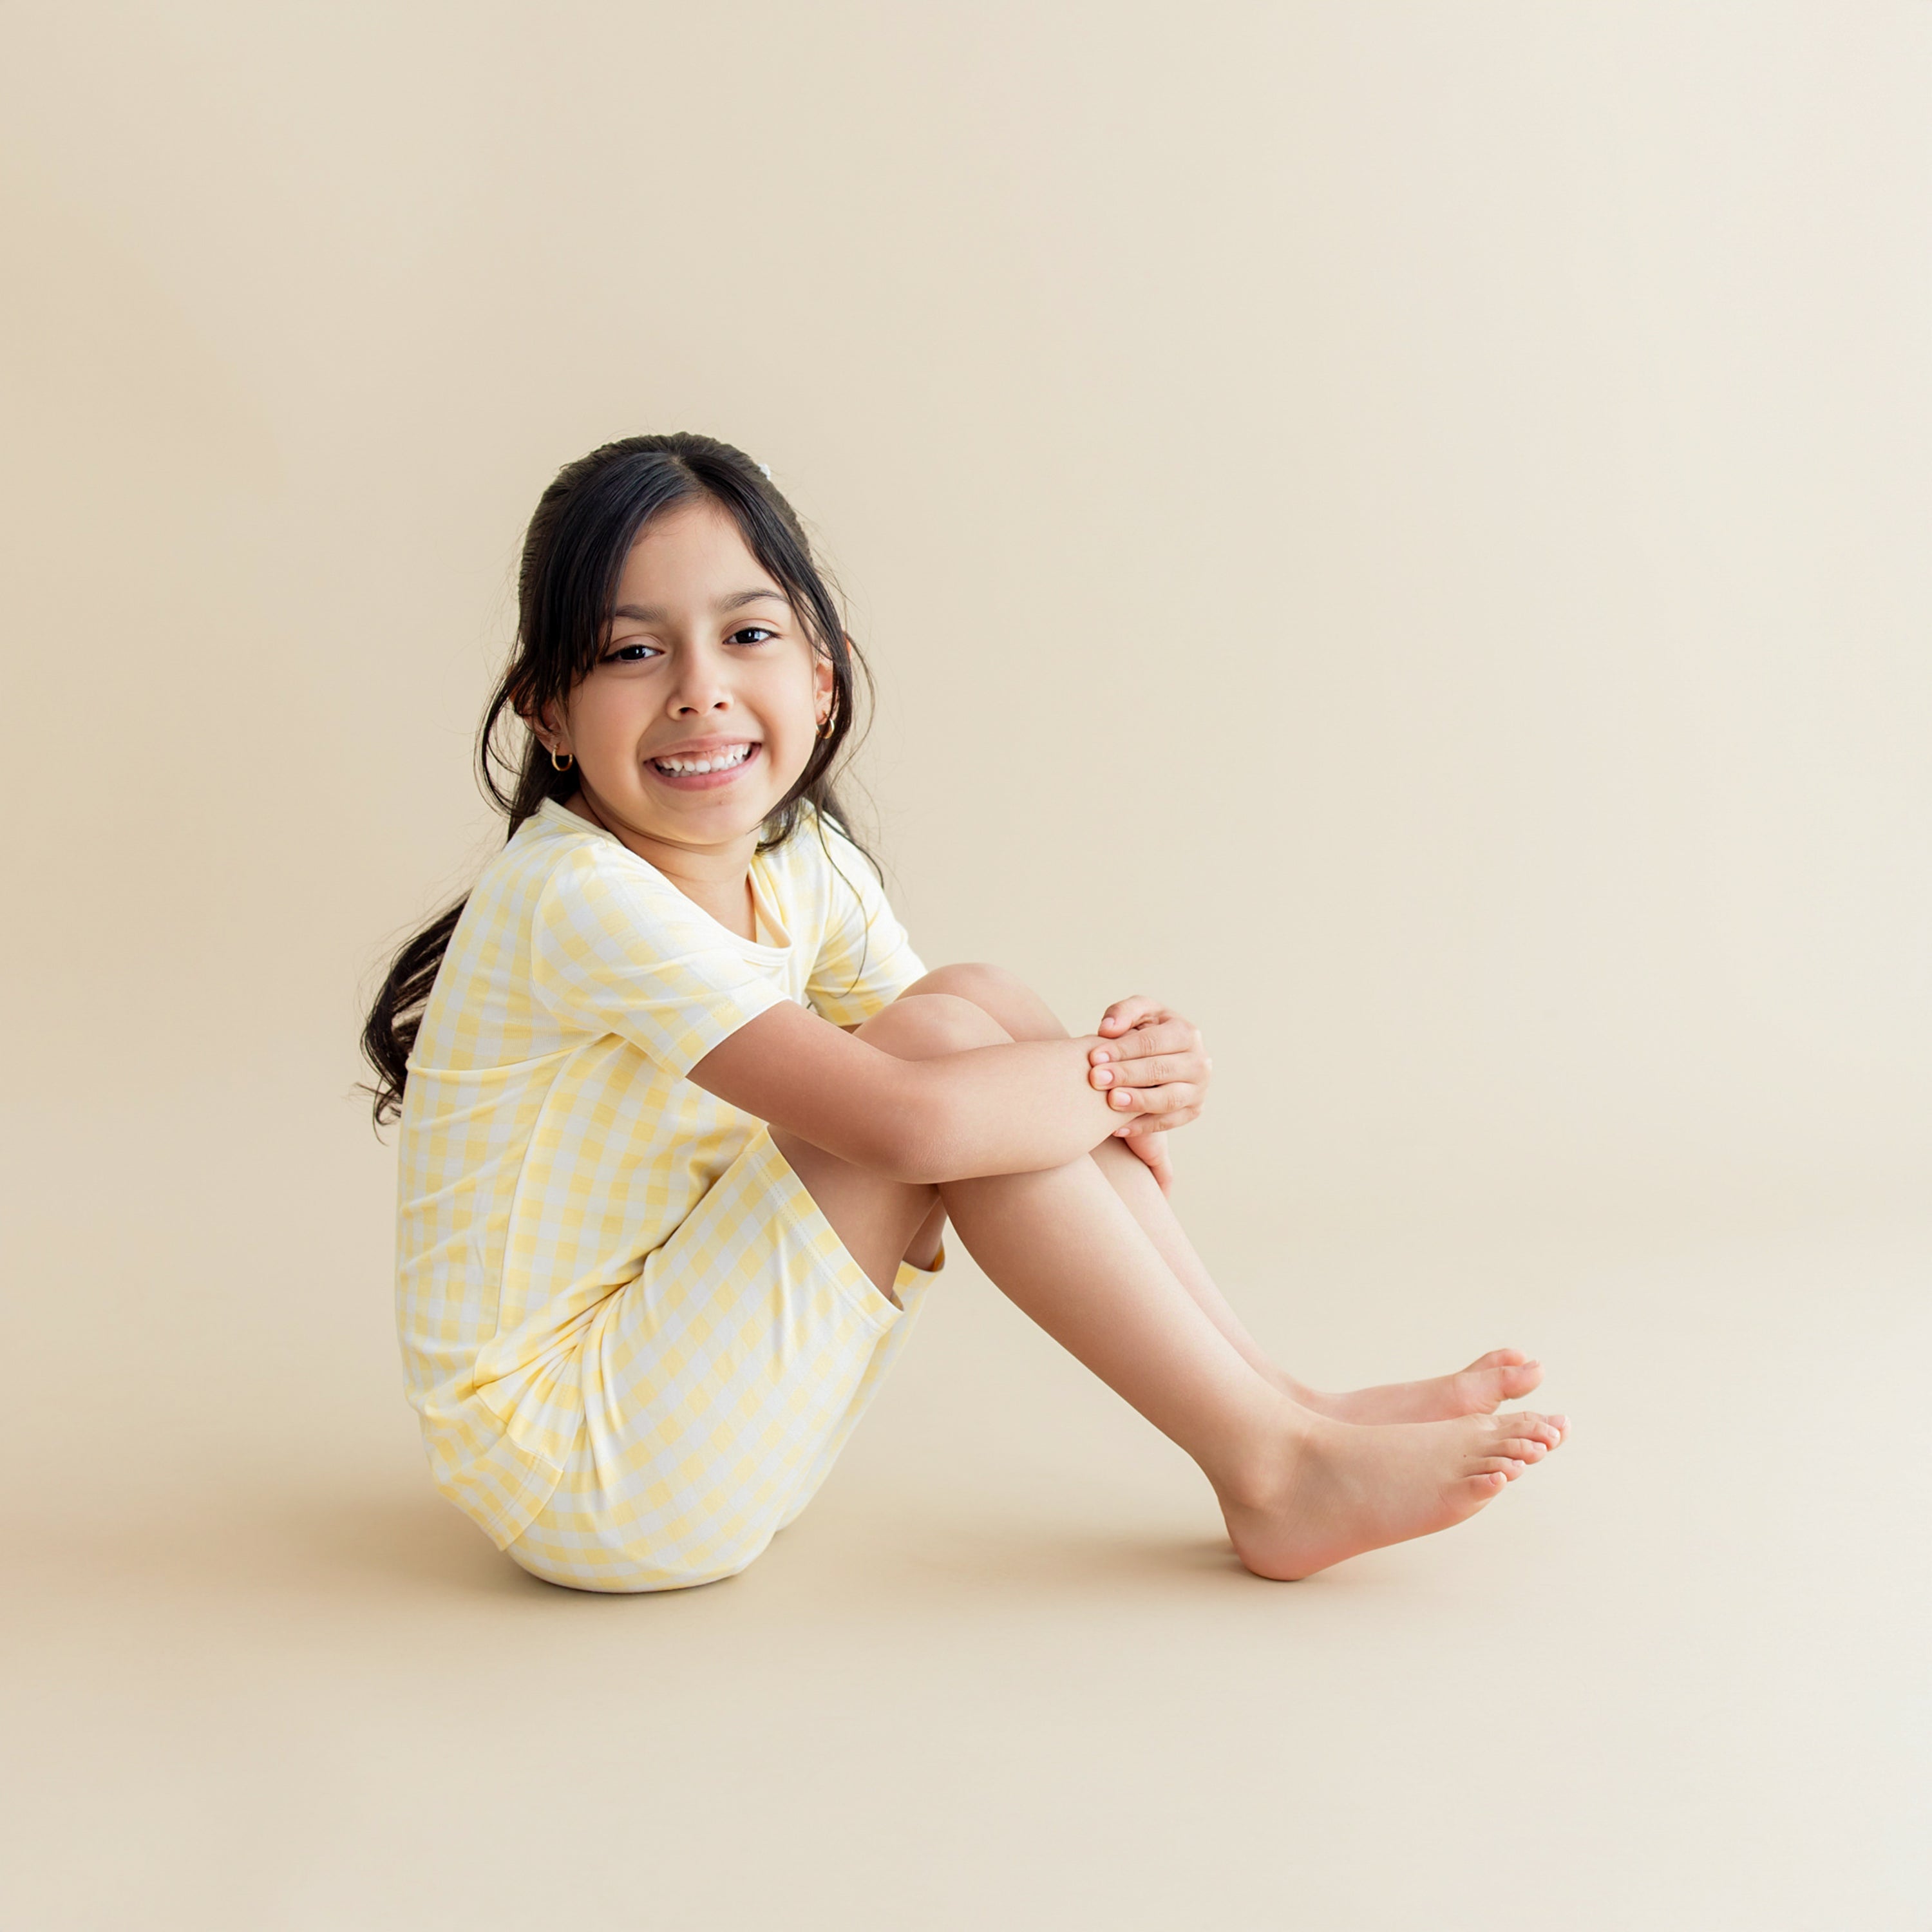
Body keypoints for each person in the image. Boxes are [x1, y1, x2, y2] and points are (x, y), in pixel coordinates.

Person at [360, 431, 1567, 1593]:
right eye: (633, 654)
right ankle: (1271, 1464)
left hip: (697, 1415)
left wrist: (1115, 1078)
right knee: (947, 1064)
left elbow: (979, 1075)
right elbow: (918, 1125)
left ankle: (1281, 1407)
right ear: (546, 711)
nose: (700, 692)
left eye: (748, 635)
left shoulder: (801, 858)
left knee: (969, 1003)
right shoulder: (575, 895)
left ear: (820, 678)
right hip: (577, 1471)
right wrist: (1109, 1076)